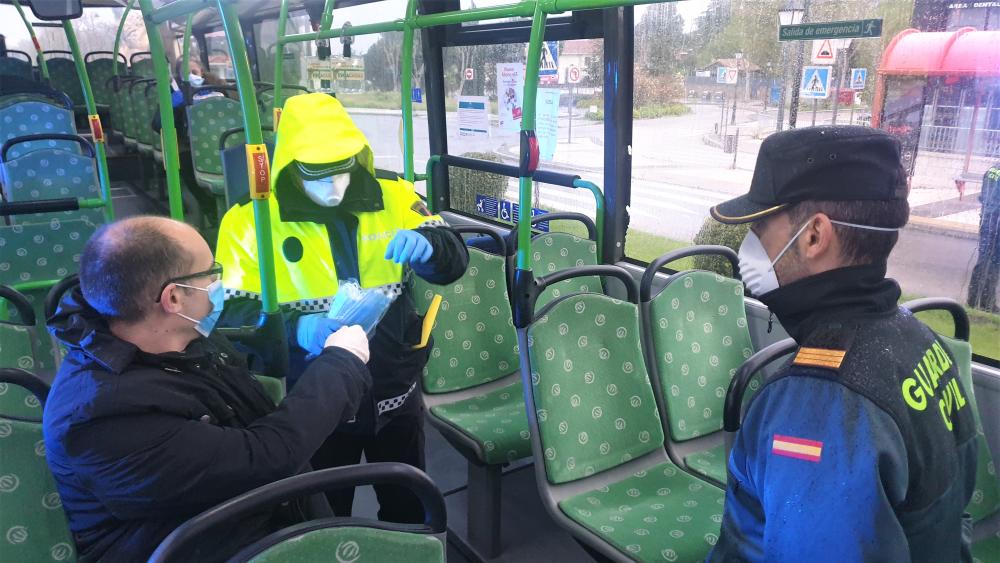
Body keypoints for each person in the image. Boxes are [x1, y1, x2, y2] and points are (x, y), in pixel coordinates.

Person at [707, 126, 978, 561]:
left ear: (814, 236)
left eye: (760, 225)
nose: (749, 243)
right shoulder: (920, 339)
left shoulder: (816, 407)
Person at [43, 216, 373, 562]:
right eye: (211, 271)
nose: (219, 281)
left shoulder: (181, 338)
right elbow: (265, 457)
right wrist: (343, 361)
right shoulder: (103, 416)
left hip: (243, 518)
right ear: (173, 298)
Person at [215, 93, 469, 523]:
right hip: (315, 396)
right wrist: (297, 327)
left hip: (393, 385)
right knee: (325, 511)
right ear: (291, 166)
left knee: (409, 504)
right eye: (318, 175)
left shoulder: (394, 195)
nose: (334, 187)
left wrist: (430, 249)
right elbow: (229, 316)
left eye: (343, 172)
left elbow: (453, 257)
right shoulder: (250, 220)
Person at [967, 162, 1000, 312]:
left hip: (987, 220)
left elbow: (984, 196)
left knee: (984, 260)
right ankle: (987, 304)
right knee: (994, 263)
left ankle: (973, 301)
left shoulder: (993, 169)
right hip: (996, 221)